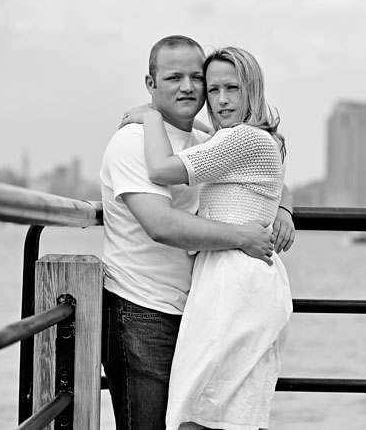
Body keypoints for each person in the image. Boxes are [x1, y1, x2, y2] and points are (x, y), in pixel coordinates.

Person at [99, 35, 295, 430]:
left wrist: (283, 207)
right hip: (142, 311)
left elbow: (262, 170)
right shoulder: (132, 143)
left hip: (197, 307)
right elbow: (162, 225)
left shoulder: (208, 139)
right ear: (150, 85)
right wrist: (242, 235)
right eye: (173, 78)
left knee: (204, 419)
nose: (188, 87)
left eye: (196, 77)